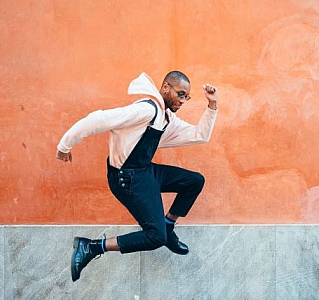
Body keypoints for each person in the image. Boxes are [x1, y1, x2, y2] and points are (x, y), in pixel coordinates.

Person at [56, 71, 218, 282]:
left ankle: (168, 226)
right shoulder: (145, 109)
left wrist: (212, 105)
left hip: (145, 171)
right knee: (154, 237)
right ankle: (92, 247)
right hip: (126, 178)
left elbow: (200, 135)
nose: (183, 101)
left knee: (194, 181)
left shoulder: (166, 117)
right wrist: (65, 145)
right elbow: (99, 119)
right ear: (166, 88)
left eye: (186, 97)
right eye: (180, 94)